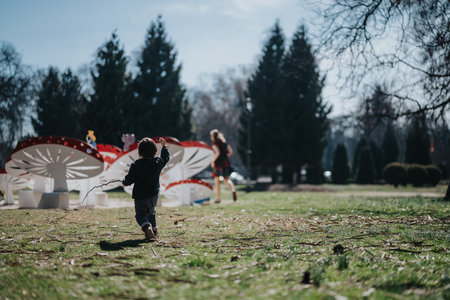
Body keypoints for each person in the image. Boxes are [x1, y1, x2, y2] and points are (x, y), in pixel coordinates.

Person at [122, 137, 170, 241]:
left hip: (140, 196)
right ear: (155, 151)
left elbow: (130, 179)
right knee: (151, 213)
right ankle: (154, 230)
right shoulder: (158, 162)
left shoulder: (136, 164)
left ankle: (147, 227)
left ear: (139, 152)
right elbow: (165, 158)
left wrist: (124, 182)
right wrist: (163, 146)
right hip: (153, 196)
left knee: (140, 215)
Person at [210, 129, 237, 203]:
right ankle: (233, 189)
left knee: (217, 180)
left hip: (218, 164)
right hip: (225, 162)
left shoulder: (214, 143)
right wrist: (224, 156)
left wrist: (213, 161)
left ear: (212, 136)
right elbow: (230, 152)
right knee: (226, 179)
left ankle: (218, 198)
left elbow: (217, 152)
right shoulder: (224, 142)